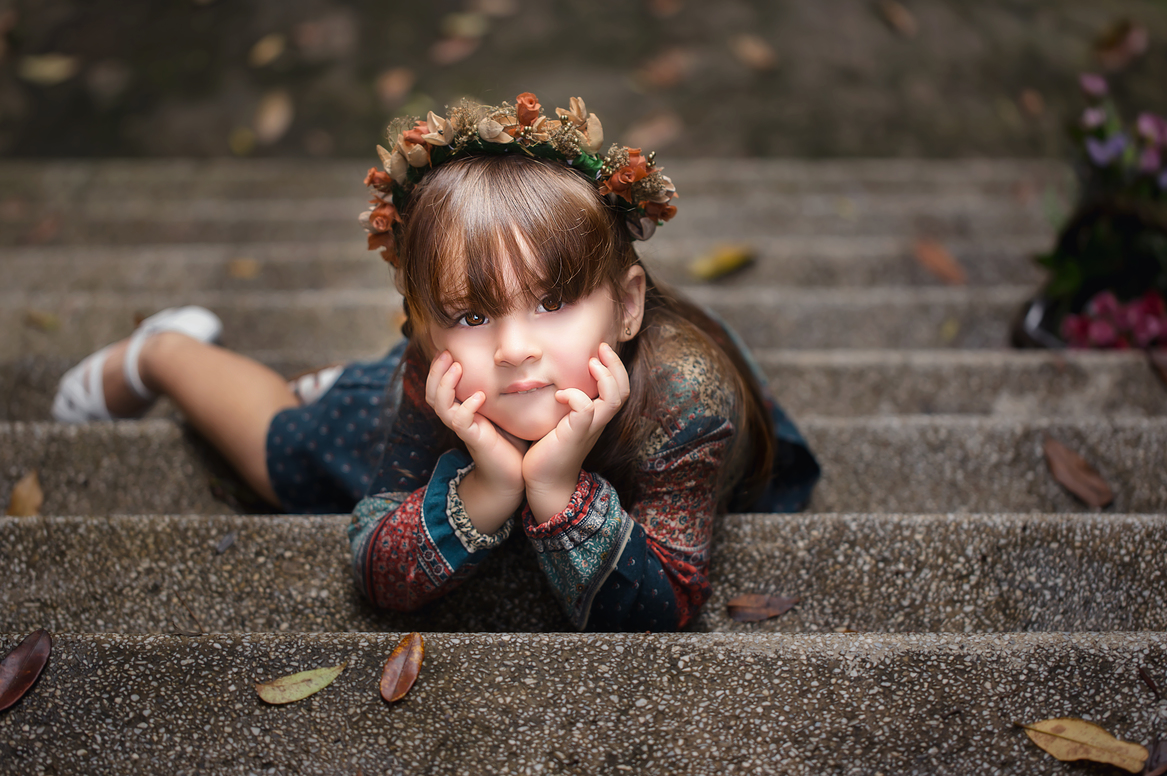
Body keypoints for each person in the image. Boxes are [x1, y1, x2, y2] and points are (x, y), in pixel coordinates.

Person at [52, 92, 819, 632]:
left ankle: (370, 366)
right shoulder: (441, 378)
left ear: (625, 306)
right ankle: (164, 351)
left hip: (584, 411)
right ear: (425, 327)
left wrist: (554, 489)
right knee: (287, 454)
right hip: (455, 417)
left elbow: (667, 605)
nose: (516, 347)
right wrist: (488, 482)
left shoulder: (686, 402)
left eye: (553, 303)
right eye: (473, 313)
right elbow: (376, 571)